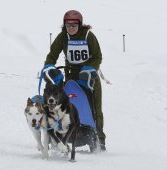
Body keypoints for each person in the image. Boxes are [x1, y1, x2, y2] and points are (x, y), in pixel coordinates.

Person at [43, 10, 106, 150]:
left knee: (95, 108)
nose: (71, 28)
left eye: (74, 25)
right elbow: (52, 54)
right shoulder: (63, 37)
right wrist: (48, 67)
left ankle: (100, 140)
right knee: (67, 107)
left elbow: (97, 57)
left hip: (89, 78)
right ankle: (62, 137)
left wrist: (89, 70)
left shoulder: (89, 36)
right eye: (68, 25)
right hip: (71, 78)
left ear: (80, 24)